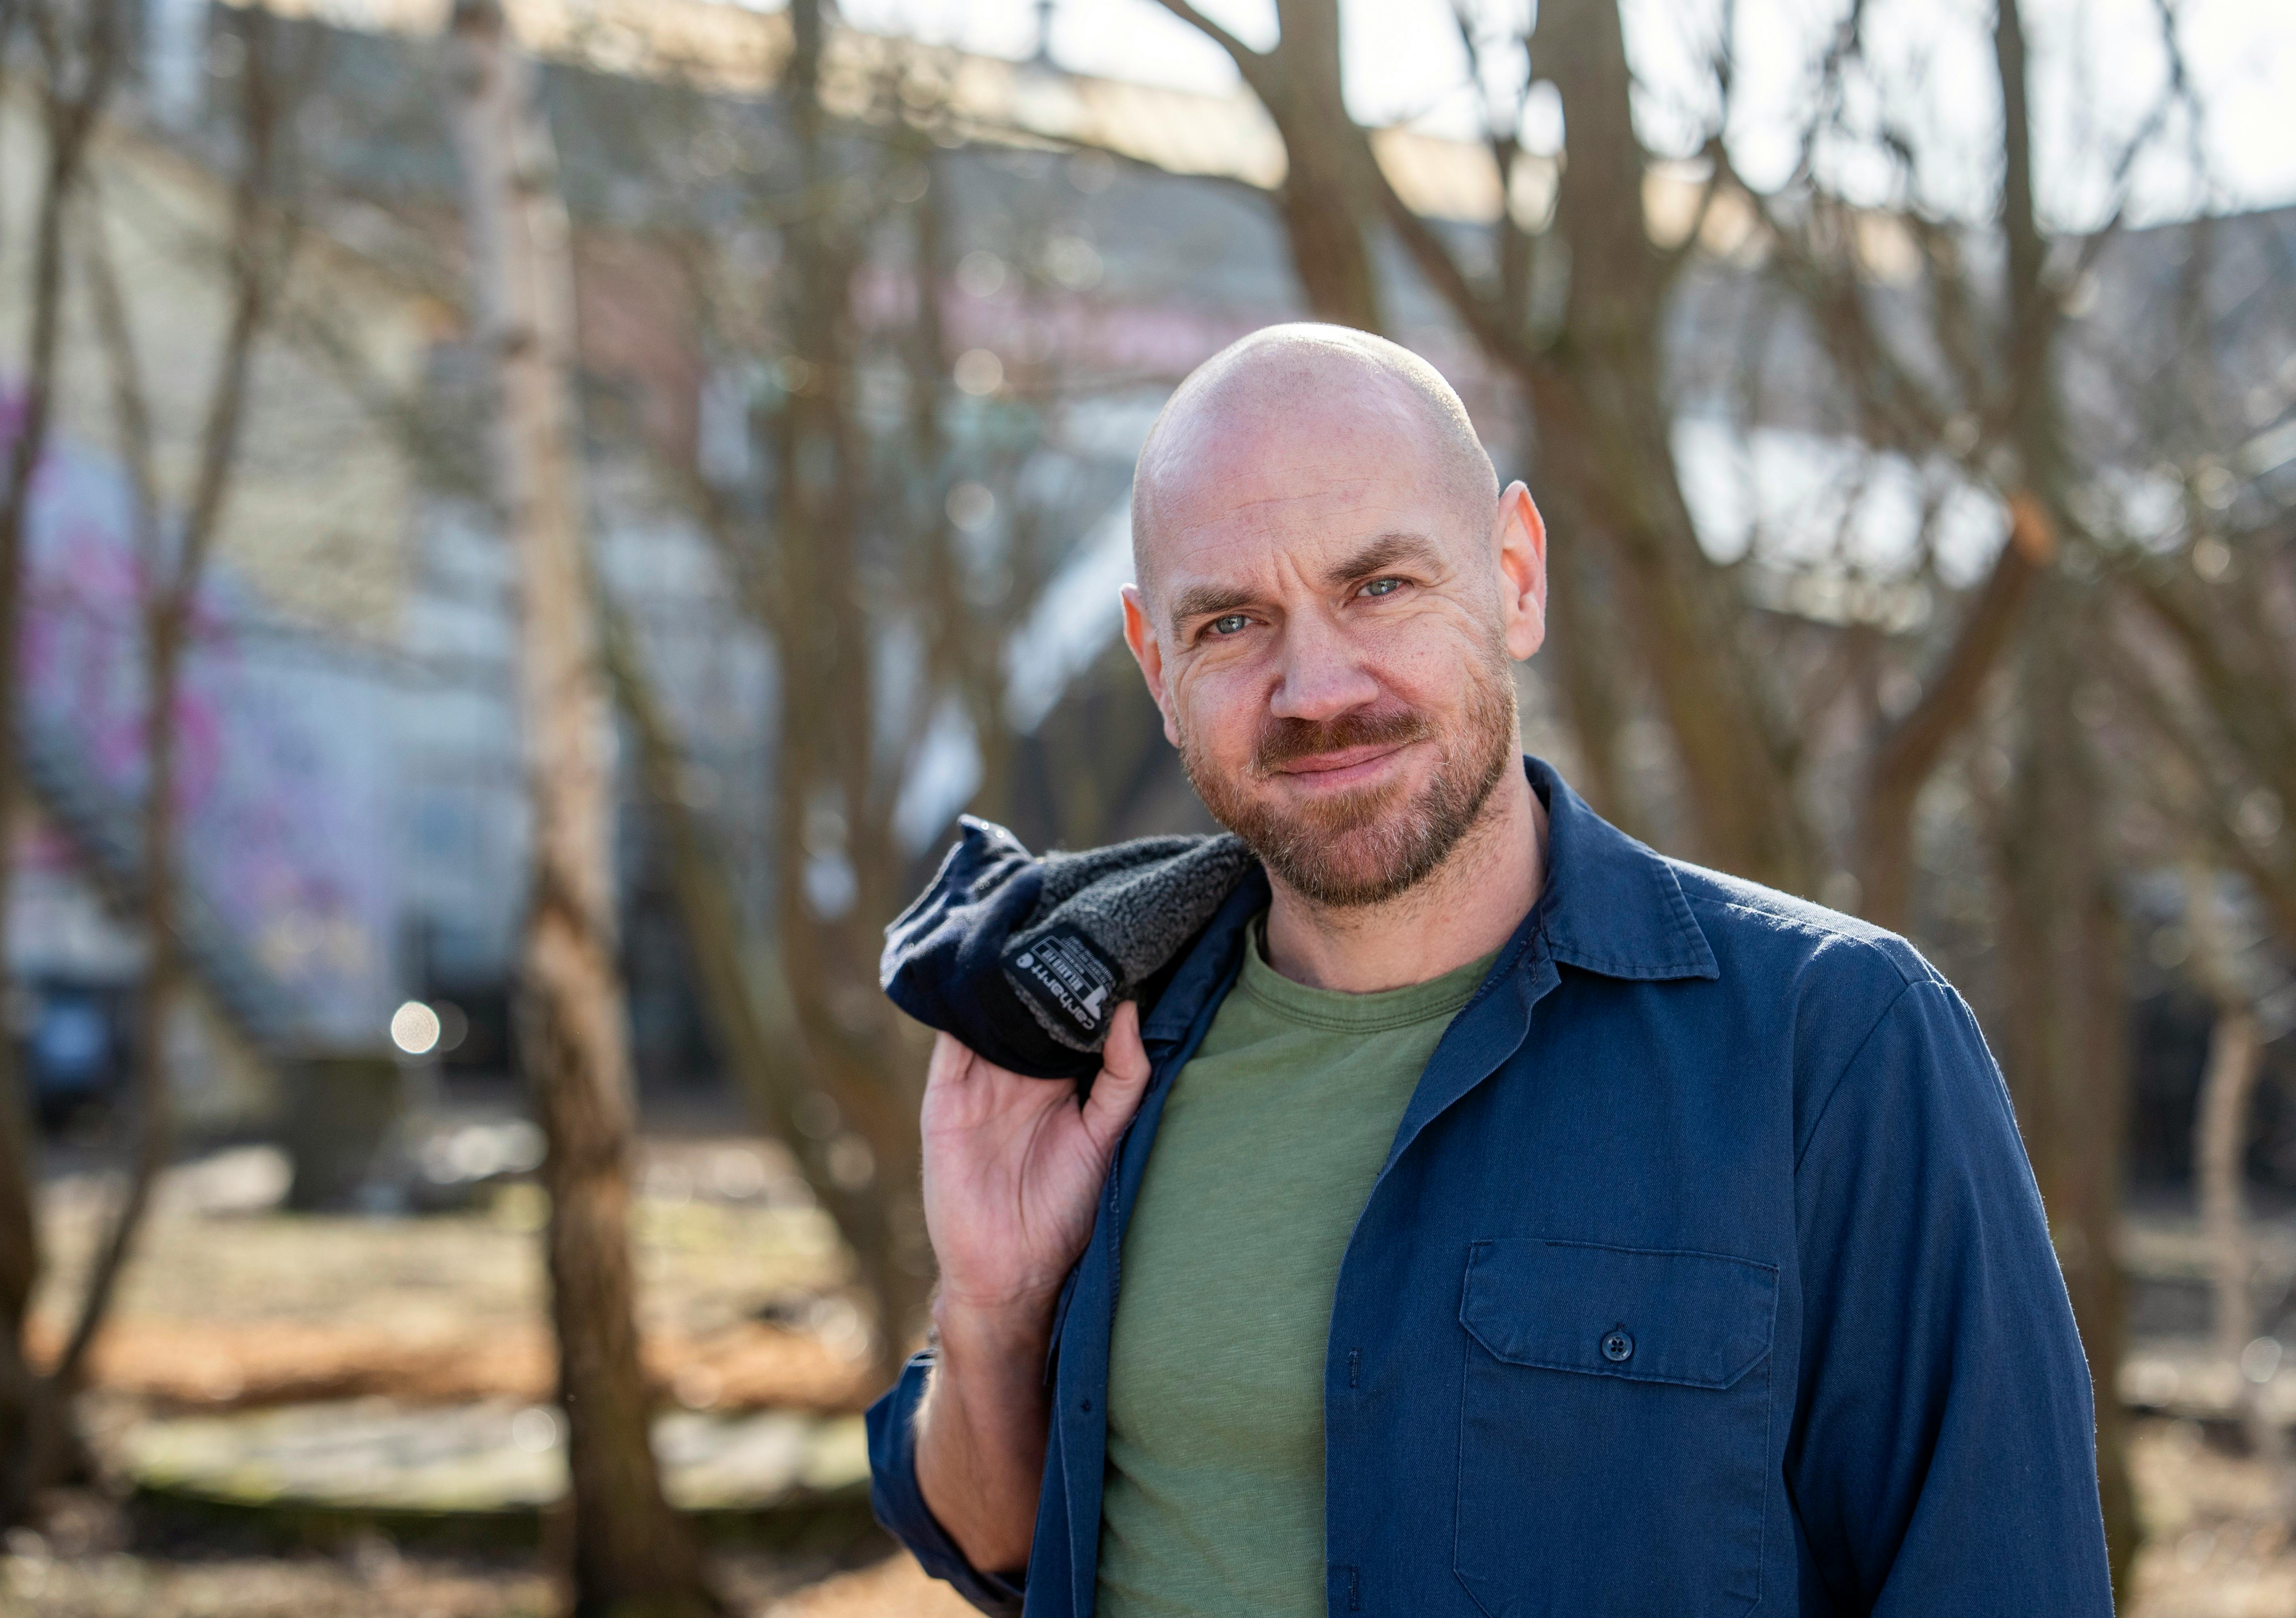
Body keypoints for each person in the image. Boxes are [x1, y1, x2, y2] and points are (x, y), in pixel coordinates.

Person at [865, 324, 2113, 1617]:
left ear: (1514, 576)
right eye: (1231, 621)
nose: (1315, 688)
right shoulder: (1101, 1047)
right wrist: (996, 1313)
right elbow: (990, 1539)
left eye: (1379, 586)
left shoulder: (1834, 1044)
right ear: (1156, 669)